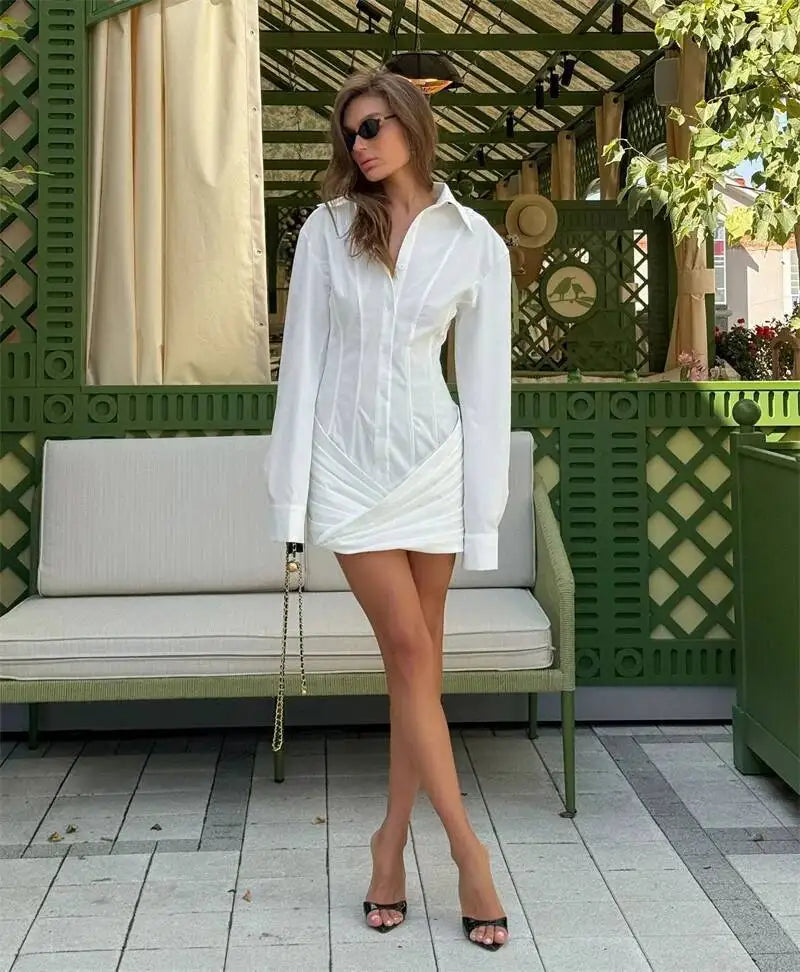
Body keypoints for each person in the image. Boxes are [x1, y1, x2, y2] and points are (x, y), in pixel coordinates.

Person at [264, 67, 512, 951]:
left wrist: (482, 511)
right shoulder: (330, 231)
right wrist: (290, 497)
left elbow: (485, 391)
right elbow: (300, 369)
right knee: (410, 652)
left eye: (371, 126)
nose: (358, 145)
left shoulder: (478, 241)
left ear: (410, 122)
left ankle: (388, 846)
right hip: (348, 469)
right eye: (349, 133)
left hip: (434, 466)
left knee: (418, 675)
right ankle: (470, 854)